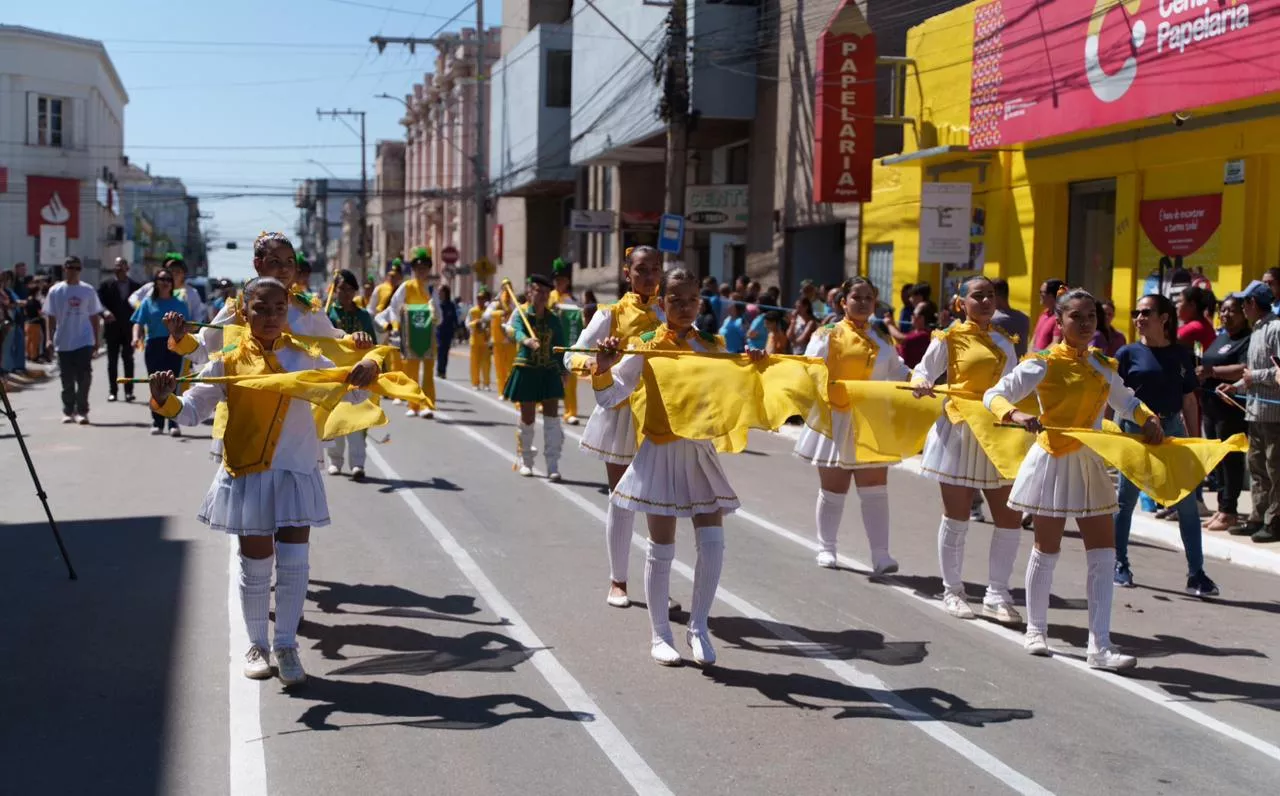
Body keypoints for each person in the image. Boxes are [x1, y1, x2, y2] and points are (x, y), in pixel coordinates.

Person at [148, 276, 374, 686]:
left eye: (277, 308)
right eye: (260, 308)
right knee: (256, 567)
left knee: (293, 565)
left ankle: (286, 644)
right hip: (250, 471)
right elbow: (189, 411)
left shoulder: (305, 357)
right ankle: (257, 646)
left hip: (295, 470)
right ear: (244, 311)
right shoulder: (228, 359)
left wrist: (367, 368)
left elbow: (352, 392)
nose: (270, 316)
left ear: (287, 311)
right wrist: (163, 398)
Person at [591, 266, 763, 666]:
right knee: (662, 547)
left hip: (699, 452)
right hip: (659, 451)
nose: (684, 307)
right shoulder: (645, 345)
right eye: (675, 300)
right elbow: (611, 396)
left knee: (713, 541)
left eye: (691, 299)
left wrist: (754, 363)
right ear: (662, 302)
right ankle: (660, 635)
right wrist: (603, 367)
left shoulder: (713, 345)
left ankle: (699, 627)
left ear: (700, 301)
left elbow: (739, 389)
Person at [984, 287, 1163, 671]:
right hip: (1052, 460)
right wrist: (1014, 416)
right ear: (1060, 321)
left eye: (1091, 317)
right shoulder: (1043, 362)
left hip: (1090, 463)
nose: (1085, 324)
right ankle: (1036, 629)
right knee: (1046, 549)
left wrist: (1147, 418)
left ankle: (1099, 645)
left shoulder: (1102, 365)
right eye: (1076, 317)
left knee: (1103, 553)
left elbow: (1126, 402)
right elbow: (995, 394)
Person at [565, 245, 674, 610]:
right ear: (627, 272)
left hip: (662, 412)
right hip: (622, 412)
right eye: (641, 270)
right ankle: (618, 580)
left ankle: (658, 585)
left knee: (660, 502)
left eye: (655, 269)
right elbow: (571, 354)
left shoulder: (669, 311)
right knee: (623, 498)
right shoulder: (609, 314)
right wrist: (601, 361)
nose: (648, 277)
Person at [910, 276, 1023, 623]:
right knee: (957, 516)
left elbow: (1017, 384)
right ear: (961, 303)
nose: (986, 301)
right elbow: (922, 370)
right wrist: (922, 383)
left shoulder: (1006, 341)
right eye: (978, 296)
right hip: (959, 431)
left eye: (990, 295)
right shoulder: (949, 337)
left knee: (1009, 517)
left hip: (998, 431)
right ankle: (953, 590)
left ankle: (997, 594)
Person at [795, 277, 911, 574]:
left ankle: (881, 555)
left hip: (873, 418)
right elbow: (810, 369)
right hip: (838, 415)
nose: (862, 303)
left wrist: (920, 378)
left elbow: (898, 371)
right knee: (834, 488)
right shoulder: (827, 334)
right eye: (856, 297)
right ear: (842, 302)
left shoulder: (883, 337)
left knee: (875, 488)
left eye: (868, 298)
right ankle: (827, 548)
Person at [1111, 294, 1219, 595]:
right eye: (1136, 312)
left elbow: (1188, 399)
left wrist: (1195, 440)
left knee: (1186, 503)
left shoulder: (1180, 355)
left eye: (1146, 312)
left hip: (1172, 432)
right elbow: (1112, 398)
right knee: (1125, 500)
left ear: (1164, 318)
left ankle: (1197, 573)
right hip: (1135, 431)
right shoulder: (1126, 354)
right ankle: (1119, 563)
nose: (1139, 317)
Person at [1220, 280, 1280, 543]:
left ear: (1252, 304)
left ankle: (1274, 521)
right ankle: (1257, 517)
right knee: (1256, 468)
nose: (1242, 308)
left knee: (1275, 469)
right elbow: (1250, 372)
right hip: (1255, 412)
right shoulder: (1257, 330)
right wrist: (1234, 387)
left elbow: (1276, 370)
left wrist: (1252, 376)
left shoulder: (1276, 328)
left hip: (1273, 415)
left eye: (1244, 302)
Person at [505, 274, 568, 480]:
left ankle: (553, 464)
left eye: (545, 292)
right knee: (528, 417)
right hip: (527, 369)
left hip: (548, 371)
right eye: (537, 291)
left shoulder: (553, 319)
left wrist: (563, 370)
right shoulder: (521, 313)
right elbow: (514, 330)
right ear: (530, 292)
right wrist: (526, 341)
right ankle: (526, 460)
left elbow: (560, 346)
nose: (541, 295)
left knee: (552, 417)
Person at [1198, 295, 1251, 531]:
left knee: (1231, 460)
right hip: (1210, 407)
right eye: (1224, 311)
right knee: (1216, 459)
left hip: (1230, 409)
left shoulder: (1247, 340)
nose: (1226, 315)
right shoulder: (1221, 337)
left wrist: (1212, 371)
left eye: (1232, 311)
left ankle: (1229, 509)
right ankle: (1221, 507)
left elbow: (1243, 368)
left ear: (1243, 313)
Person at [322, 269, 377, 481]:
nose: (344, 293)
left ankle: (358, 464)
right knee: (334, 419)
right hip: (335, 374)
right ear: (334, 291)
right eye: (340, 289)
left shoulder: (363, 316)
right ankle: (335, 461)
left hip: (359, 375)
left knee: (357, 422)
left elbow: (374, 345)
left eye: (348, 289)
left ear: (355, 291)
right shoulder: (327, 315)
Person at [376, 247, 439, 419]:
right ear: (413, 269)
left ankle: (427, 404)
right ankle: (413, 404)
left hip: (428, 337)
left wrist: (434, 314)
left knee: (427, 372)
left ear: (428, 269)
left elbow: (438, 316)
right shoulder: (406, 286)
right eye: (418, 268)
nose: (421, 271)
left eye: (424, 268)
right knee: (411, 371)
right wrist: (400, 319)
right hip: (410, 336)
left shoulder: (432, 290)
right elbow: (394, 307)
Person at [43, 256, 102, 424]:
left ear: (80, 270)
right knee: (66, 378)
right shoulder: (56, 291)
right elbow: (50, 316)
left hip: (84, 340)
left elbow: (94, 316)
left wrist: (96, 340)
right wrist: (48, 338)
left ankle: (82, 410)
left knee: (84, 377)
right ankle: (68, 410)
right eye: (70, 267)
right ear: (64, 268)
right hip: (63, 340)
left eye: (76, 268)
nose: (73, 270)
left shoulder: (88, 290)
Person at [131, 267, 188, 436]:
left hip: (173, 346)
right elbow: (138, 322)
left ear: (172, 284)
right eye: (161, 279)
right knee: (156, 384)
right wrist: (135, 337)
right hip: (154, 346)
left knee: (172, 384)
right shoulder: (149, 302)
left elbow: (186, 326)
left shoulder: (179, 304)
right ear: (156, 282)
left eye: (168, 280)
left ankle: (173, 423)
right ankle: (157, 421)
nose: (165, 283)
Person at [99, 257, 142, 403]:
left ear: (127, 268)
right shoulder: (106, 285)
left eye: (121, 266)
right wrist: (104, 312)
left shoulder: (136, 287)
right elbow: (99, 303)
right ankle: (113, 391)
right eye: (116, 266)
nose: (118, 268)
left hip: (129, 329)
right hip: (112, 329)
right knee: (112, 361)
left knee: (128, 360)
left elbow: (141, 308)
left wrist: (140, 329)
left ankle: (129, 391)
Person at [548, 258, 583, 425]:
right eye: (557, 280)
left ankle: (571, 412)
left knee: (571, 378)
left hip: (569, 342)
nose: (559, 283)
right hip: (552, 344)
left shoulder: (572, 300)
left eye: (562, 280)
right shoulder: (549, 298)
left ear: (567, 282)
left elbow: (578, 317)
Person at [990, 278, 1029, 358]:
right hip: (1020, 366)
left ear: (997, 296)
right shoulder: (1024, 318)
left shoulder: (992, 320)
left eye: (990, 295)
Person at [467, 286, 493, 391]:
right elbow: (467, 324)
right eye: (479, 298)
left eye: (482, 298)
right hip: (475, 341)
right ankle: (475, 383)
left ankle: (486, 384)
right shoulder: (473, 311)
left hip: (485, 341)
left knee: (486, 364)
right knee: (475, 363)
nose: (480, 300)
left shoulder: (489, 312)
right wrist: (475, 323)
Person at [1176, 286, 1217, 353]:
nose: (1176, 305)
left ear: (1192, 305)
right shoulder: (1201, 324)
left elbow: (1163, 340)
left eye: (1180, 301)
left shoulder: (1196, 327)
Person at [898, 300, 937, 368]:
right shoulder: (914, 332)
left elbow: (901, 339)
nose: (911, 316)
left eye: (914, 314)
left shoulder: (924, 335)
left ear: (921, 318)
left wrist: (889, 324)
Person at [1031, 278, 1066, 351]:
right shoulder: (1044, 314)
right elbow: (1034, 339)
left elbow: (1056, 344)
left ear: (1051, 295)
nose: (1039, 295)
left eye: (1042, 292)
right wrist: (1028, 356)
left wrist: (1038, 357)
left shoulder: (1060, 317)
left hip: (1045, 361)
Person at [435, 284, 458, 379]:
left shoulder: (451, 305)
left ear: (445, 293)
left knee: (445, 352)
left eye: (441, 291)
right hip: (439, 332)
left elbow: (454, 319)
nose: (439, 293)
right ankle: (439, 370)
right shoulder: (438, 305)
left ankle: (443, 371)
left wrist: (456, 331)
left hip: (448, 333)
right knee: (439, 351)